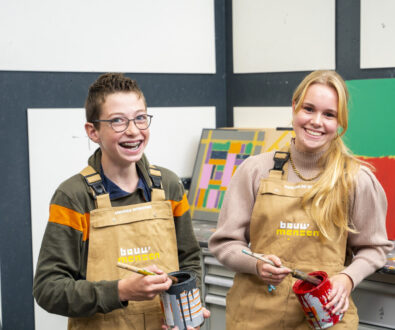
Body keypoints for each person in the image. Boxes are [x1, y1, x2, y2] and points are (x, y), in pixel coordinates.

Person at [208, 70, 393, 329]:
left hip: (324, 315)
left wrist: (347, 279)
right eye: (308, 109)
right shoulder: (254, 170)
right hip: (256, 315)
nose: (316, 121)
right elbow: (226, 243)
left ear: (340, 121)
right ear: (294, 107)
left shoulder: (356, 179)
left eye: (329, 114)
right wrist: (255, 263)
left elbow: (374, 248)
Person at [33, 73, 209, 330]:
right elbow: (48, 289)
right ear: (93, 131)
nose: (133, 130)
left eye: (140, 118)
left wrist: (189, 313)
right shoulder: (73, 197)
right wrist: (121, 291)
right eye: (117, 121)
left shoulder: (169, 186)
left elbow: (190, 261)